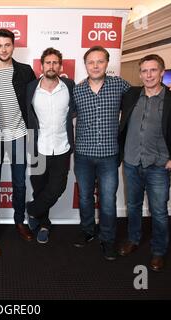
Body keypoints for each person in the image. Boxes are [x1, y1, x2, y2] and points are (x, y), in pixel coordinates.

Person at [118, 54, 171, 272]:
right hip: (131, 162)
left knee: (159, 211)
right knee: (133, 206)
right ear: (140, 74)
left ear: (162, 72)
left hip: (159, 166)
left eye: (153, 70)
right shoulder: (131, 94)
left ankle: (158, 251)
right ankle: (133, 239)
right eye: (144, 71)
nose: (148, 75)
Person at [72, 46, 130, 260]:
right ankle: (88, 232)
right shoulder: (77, 90)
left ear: (107, 63)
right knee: (86, 198)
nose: (95, 66)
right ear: (85, 65)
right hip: (83, 155)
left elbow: (144, 96)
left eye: (100, 61)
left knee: (107, 200)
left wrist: (167, 88)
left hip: (108, 155)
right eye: (91, 62)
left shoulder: (120, 85)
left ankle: (107, 240)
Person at [0, 28, 36, 241]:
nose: (3, 49)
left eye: (7, 45)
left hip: (18, 134)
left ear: (13, 46)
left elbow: (33, 102)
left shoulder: (26, 71)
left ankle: (20, 221)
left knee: (19, 182)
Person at [26, 47, 75, 244]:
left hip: (62, 147)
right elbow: (26, 114)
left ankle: (31, 210)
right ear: (42, 66)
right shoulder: (31, 88)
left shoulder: (70, 86)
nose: (51, 66)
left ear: (60, 66)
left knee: (57, 187)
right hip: (39, 148)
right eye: (48, 62)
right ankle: (44, 224)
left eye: (55, 62)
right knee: (39, 188)